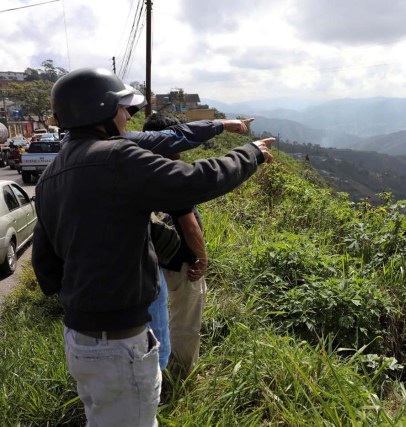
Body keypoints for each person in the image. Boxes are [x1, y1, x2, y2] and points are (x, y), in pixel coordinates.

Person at [32, 67, 274, 426]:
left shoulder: (52, 176)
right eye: (123, 108)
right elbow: (192, 182)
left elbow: (46, 270)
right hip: (118, 343)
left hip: (80, 338)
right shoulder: (116, 158)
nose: (128, 115)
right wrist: (249, 153)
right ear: (100, 111)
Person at [143, 113, 208, 378]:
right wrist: (202, 259)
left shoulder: (138, 168)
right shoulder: (171, 173)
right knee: (185, 321)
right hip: (182, 263)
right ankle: (181, 374)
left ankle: (158, 370)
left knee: (158, 320)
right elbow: (190, 225)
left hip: (152, 260)